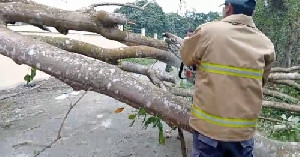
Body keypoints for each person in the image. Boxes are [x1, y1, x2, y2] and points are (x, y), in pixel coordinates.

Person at [180, 0, 276, 156]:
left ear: (229, 8)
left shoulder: (208, 31)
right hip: (242, 136)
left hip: (208, 132)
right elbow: (261, 82)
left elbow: (186, 57)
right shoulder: (266, 44)